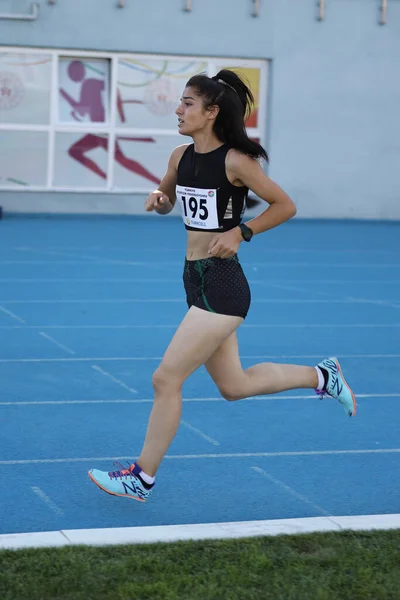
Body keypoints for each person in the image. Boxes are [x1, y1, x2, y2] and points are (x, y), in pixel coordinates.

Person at [88, 70, 356, 502]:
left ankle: (141, 477)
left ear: (212, 112)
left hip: (224, 286)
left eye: (188, 103)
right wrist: (160, 203)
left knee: (165, 378)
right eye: (180, 101)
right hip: (193, 279)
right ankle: (321, 376)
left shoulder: (236, 161)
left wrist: (241, 233)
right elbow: (170, 200)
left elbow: (285, 205)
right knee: (234, 386)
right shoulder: (179, 156)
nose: (178, 109)